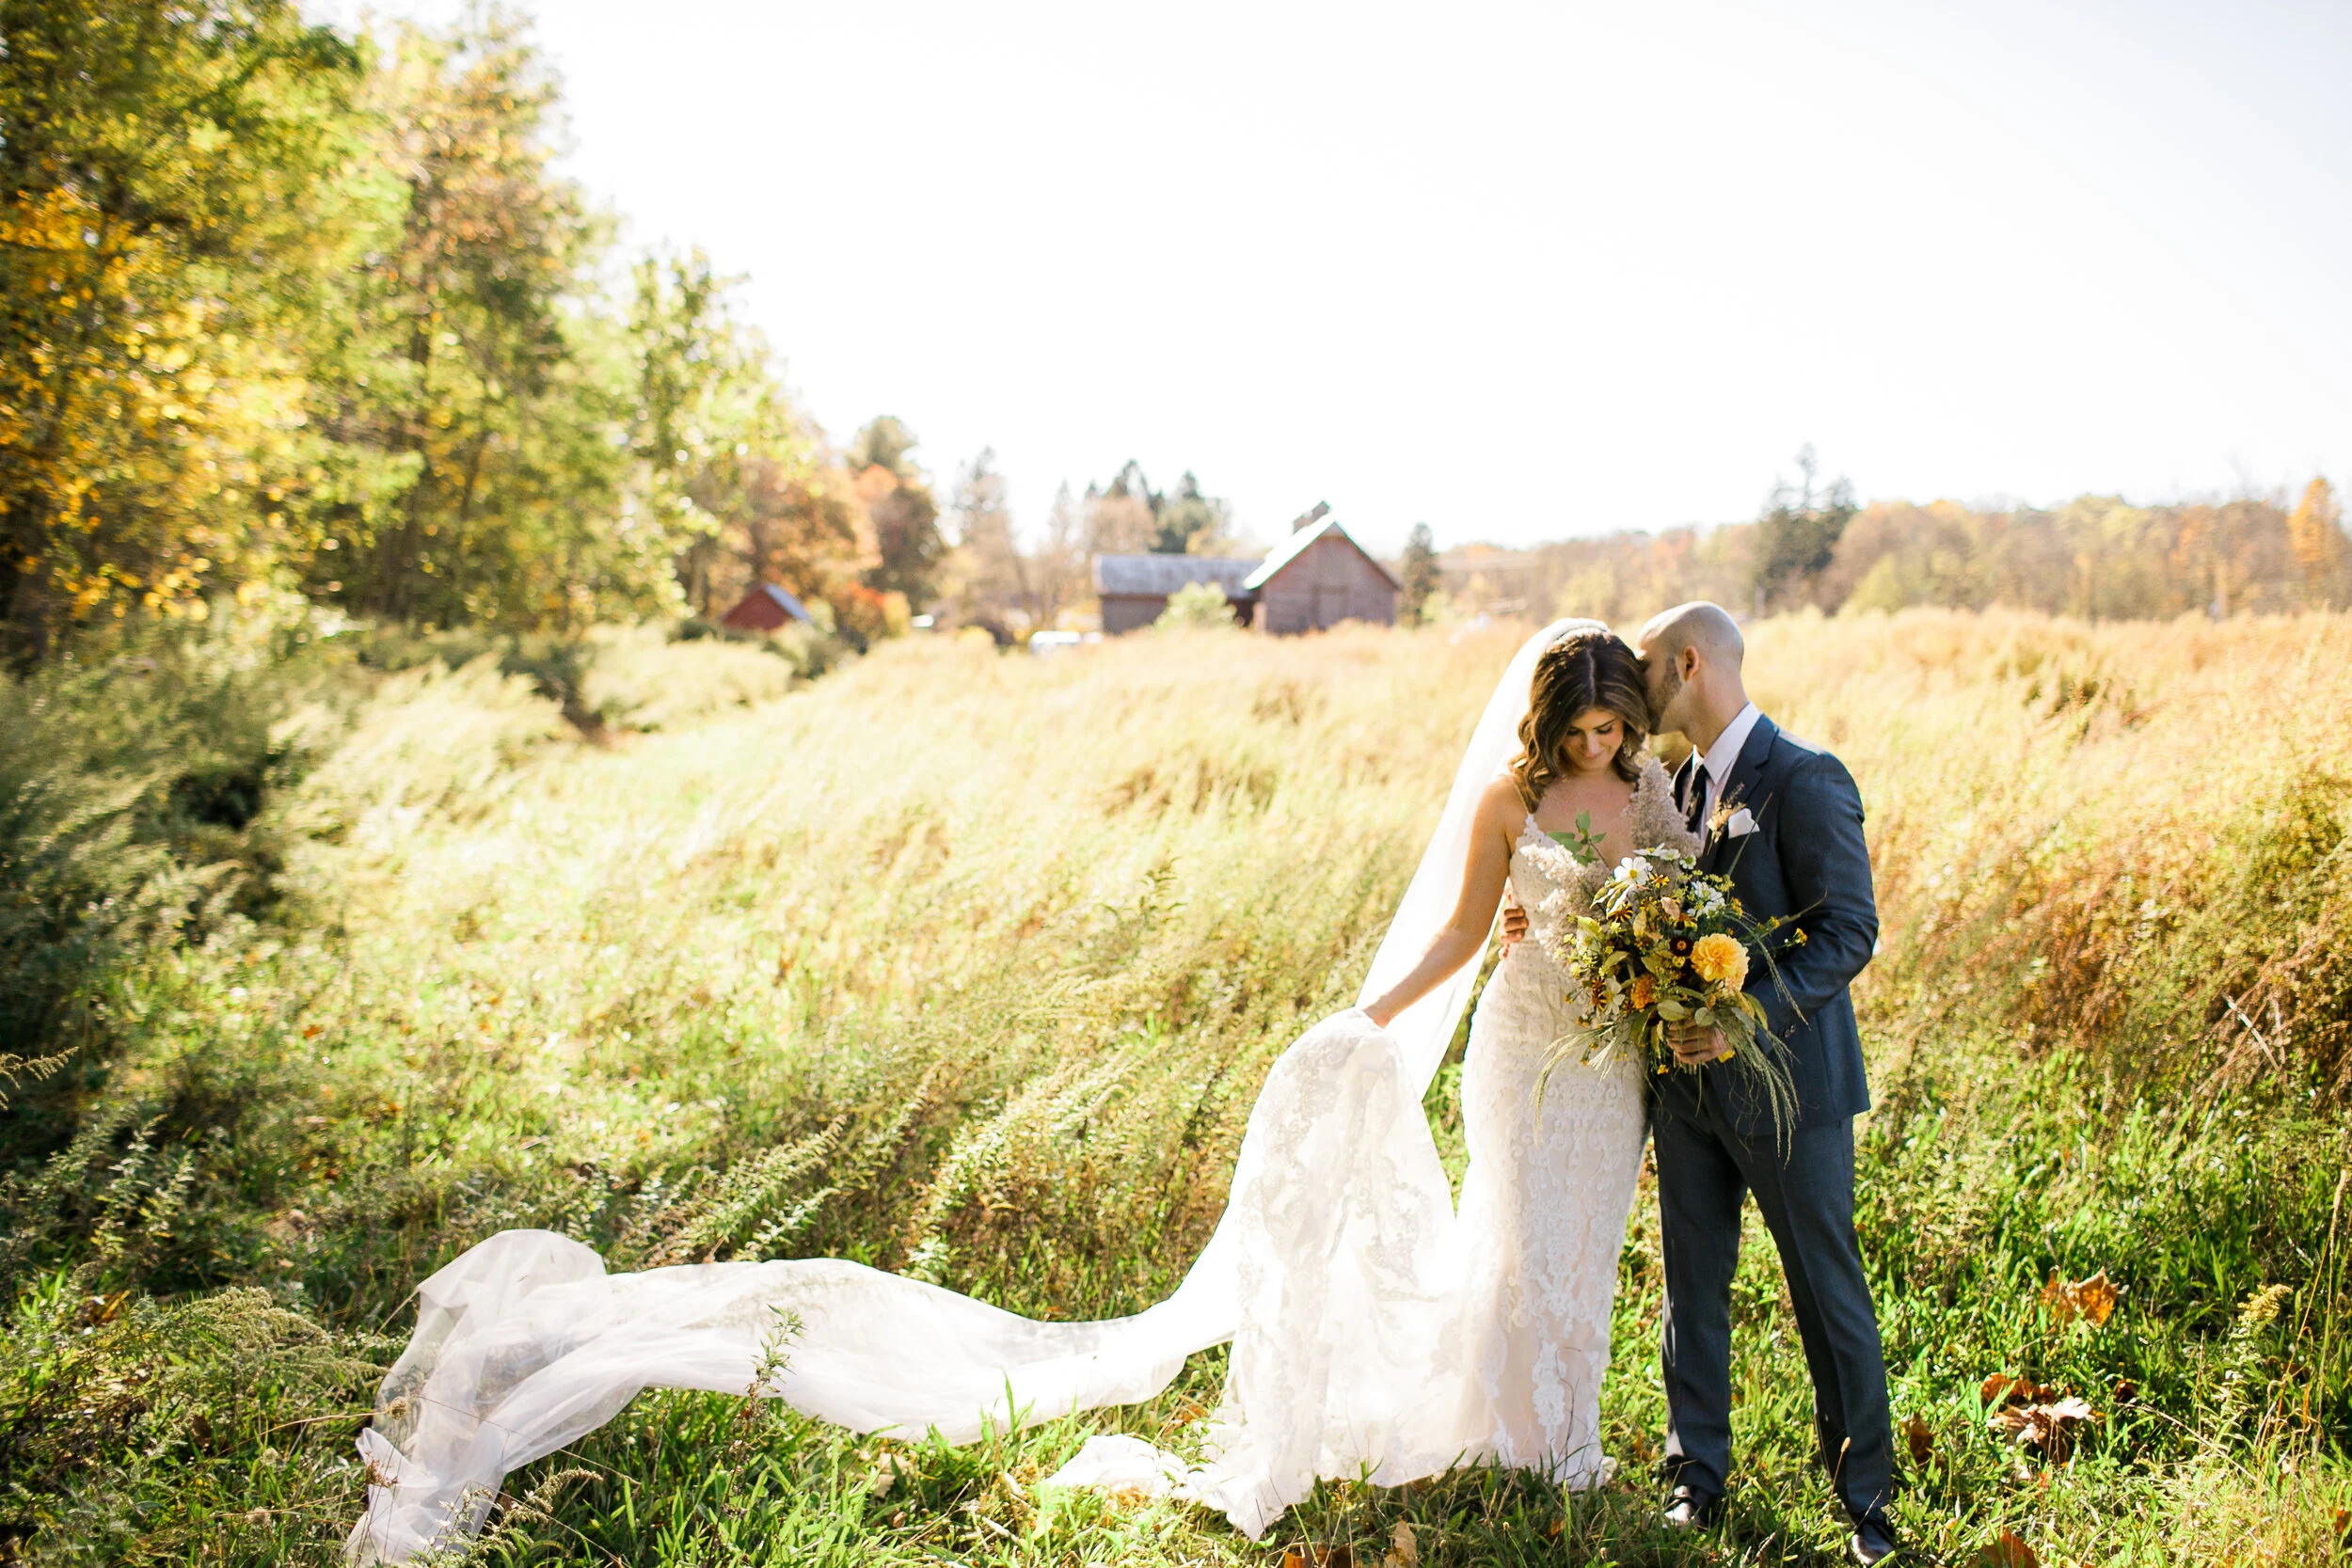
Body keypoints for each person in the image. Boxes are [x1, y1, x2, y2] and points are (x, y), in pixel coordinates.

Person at [337, 620, 1764, 1563]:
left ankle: (1563, 1429)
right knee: (1516, 1234)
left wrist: (1675, 991)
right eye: (1574, 731)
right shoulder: (1512, 805)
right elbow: (1463, 934)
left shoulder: (1650, 793)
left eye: (1608, 729)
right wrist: (1365, 1017)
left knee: (1588, 1242)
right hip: (1519, 1049)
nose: (1594, 749)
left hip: (1606, 1064)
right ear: (1544, 726)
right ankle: (1529, 1430)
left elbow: (1679, 910)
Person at [1505, 603, 1897, 1563]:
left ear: (1686, 662)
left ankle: (1864, 1500)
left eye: (1642, 668)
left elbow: (1847, 929)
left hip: (1787, 1086)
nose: (1630, 690)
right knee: (1692, 1288)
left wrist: (1739, 1019)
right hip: (1680, 1089)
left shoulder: (1804, 777)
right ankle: (1696, 1478)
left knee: (1823, 1287)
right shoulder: (1663, 782)